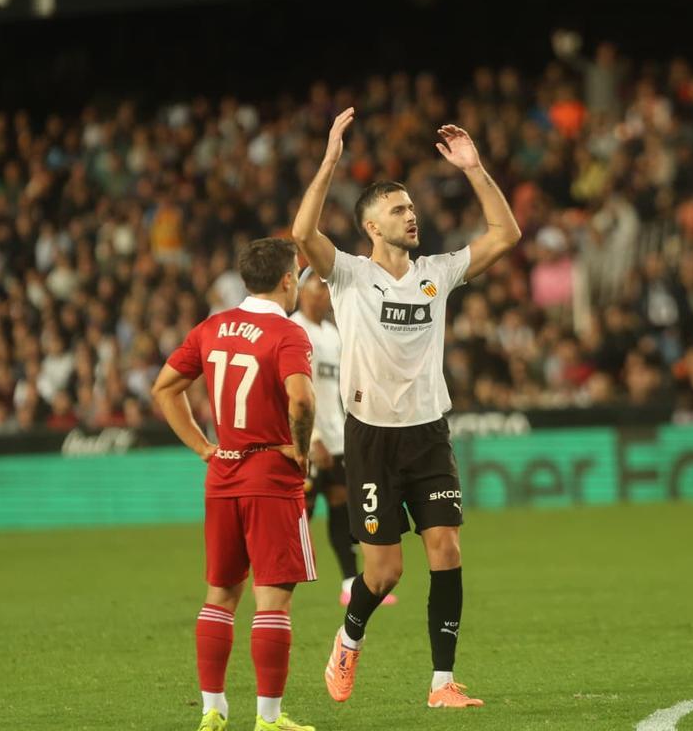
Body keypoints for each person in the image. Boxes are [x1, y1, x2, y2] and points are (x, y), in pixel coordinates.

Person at [292, 108, 521, 709]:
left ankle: (443, 683)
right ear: (371, 225)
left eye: (412, 207)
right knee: (384, 573)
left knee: (446, 548)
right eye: (398, 209)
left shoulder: (437, 274)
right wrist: (330, 160)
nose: (411, 215)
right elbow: (302, 234)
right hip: (371, 439)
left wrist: (475, 169)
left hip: (428, 434)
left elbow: (506, 236)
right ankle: (349, 638)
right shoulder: (346, 275)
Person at [150, 238, 318, 731]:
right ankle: (268, 718)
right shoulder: (287, 333)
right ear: (287, 279)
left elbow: (164, 387)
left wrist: (204, 447)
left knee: (220, 594)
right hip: (270, 475)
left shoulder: (212, 327)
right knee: (273, 599)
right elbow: (302, 400)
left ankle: (213, 710)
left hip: (222, 475)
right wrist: (302, 449)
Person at [290, 268, 399, 609]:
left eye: (326, 287)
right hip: (308, 439)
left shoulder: (332, 334)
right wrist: (311, 438)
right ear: (301, 290)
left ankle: (350, 582)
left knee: (342, 506)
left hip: (338, 437)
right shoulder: (294, 330)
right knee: (299, 515)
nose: (324, 293)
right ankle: (275, 584)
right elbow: (291, 392)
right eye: (316, 286)